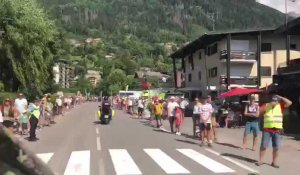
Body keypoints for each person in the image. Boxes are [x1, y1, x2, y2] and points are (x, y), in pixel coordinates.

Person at [256, 95, 292, 168]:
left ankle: (274, 162)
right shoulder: (266, 105)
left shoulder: (280, 106)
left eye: (276, 100)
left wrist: (281, 97)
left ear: (278, 101)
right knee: (263, 146)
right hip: (267, 129)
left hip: (277, 130)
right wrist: (268, 106)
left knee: (276, 147)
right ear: (270, 100)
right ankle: (260, 160)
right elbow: (259, 110)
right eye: (273, 100)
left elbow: (289, 103)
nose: (274, 102)